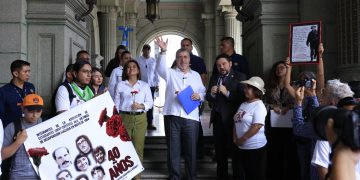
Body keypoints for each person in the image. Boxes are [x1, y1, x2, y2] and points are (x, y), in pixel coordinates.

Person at [155, 37, 206, 180]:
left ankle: (192, 176)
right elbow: (159, 68)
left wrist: (199, 96)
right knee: (173, 150)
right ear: (176, 60)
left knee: (191, 150)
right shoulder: (170, 73)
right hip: (172, 116)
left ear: (190, 59)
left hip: (191, 118)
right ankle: (174, 176)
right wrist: (163, 51)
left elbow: (203, 92)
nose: (183, 60)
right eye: (179, 57)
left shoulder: (196, 76)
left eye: (185, 57)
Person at [205, 54, 246, 179]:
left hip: (233, 121)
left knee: (235, 152)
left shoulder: (240, 77)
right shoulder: (214, 77)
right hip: (217, 120)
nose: (221, 67)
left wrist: (227, 93)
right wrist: (211, 94)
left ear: (230, 64)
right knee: (220, 152)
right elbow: (207, 97)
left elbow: (243, 97)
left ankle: (237, 176)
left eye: (223, 64)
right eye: (218, 65)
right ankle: (221, 176)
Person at [114, 60, 153, 179]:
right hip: (124, 117)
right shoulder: (120, 85)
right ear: (125, 71)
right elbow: (116, 104)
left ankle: (137, 177)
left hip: (140, 118)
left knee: (138, 149)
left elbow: (150, 103)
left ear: (138, 70)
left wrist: (141, 106)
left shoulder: (144, 85)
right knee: (124, 149)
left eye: (134, 66)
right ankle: (125, 177)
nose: (131, 69)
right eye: (128, 67)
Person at [310, 80, 356, 179]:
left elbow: (324, 175)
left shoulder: (327, 134)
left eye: (323, 94)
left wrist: (338, 149)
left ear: (332, 103)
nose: (320, 100)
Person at [264, 60, 299, 179]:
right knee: (275, 149)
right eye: (277, 68)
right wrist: (273, 107)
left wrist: (288, 107)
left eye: (282, 67)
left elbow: (300, 102)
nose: (279, 69)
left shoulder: (294, 85)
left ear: (288, 69)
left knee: (289, 150)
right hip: (274, 123)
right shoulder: (270, 86)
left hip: (289, 122)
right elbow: (263, 103)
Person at [1, 94, 44, 179]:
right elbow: (2, 155)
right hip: (19, 176)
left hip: (42, 176)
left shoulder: (46, 125)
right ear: (23, 109)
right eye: (31, 111)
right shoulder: (13, 127)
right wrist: (18, 141)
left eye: (38, 111)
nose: (34, 115)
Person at [233, 76, 267, 180]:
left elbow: (256, 126)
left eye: (248, 87)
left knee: (254, 175)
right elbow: (236, 121)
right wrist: (235, 139)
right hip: (242, 147)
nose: (245, 89)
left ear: (256, 90)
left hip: (254, 148)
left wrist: (241, 139)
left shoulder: (259, 106)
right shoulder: (243, 104)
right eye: (245, 87)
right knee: (245, 173)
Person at [0, 60, 35, 127]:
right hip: (11, 128)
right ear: (16, 73)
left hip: (29, 126)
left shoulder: (30, 87)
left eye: (29, 71)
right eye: (25, 72)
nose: (28, 74)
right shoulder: (3, 91)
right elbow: (1, 115)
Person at [136, 44, 159, 130]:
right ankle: (140, 122)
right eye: (145, 50)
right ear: (142, 51)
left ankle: (150, 123)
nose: (146, 52)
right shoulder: (137, 60)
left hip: (151, 85)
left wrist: (157, 84)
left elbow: (156, 73)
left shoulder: (153, 60)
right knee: (140, 102)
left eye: (148, 50)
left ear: (150, 51)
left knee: (150, 104)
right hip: (140, 85)